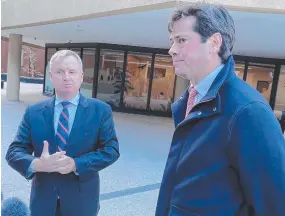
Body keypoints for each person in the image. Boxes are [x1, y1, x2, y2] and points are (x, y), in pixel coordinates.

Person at [155, 2, 285, 216]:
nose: (172, 49)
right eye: (172, 41)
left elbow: (275, 204)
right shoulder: (190, 100)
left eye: (182, 40)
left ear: (214, 42)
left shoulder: (247, 111)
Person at [6, 50, 120, 216]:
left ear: (81, 76)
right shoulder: (34, 112)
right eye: (60, 72)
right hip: (43, 203)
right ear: (51, 77)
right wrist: (38, 164)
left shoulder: (100, 111)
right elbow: (14, 152)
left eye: (72, 72)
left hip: (82, 202)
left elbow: (111, 150)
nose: (66, 77)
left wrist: (76, 164)